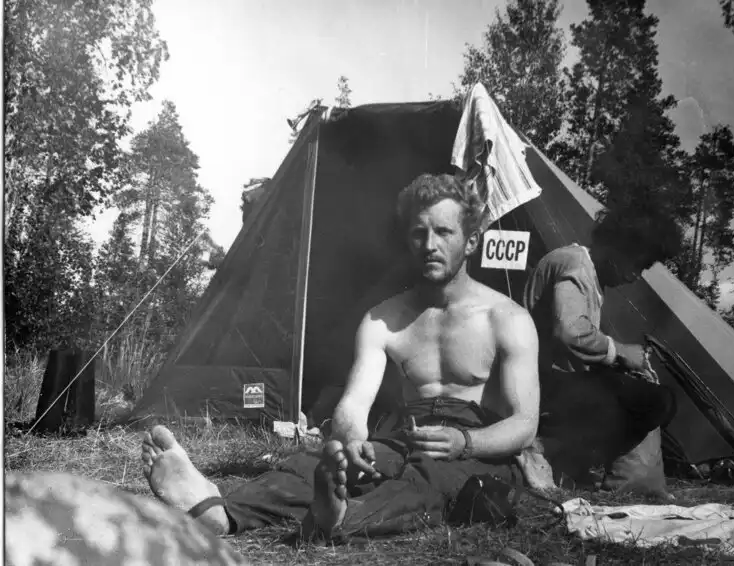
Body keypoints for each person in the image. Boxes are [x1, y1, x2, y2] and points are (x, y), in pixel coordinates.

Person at [141, 173, 547, 541]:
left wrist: (465, 442)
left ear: (471, 241)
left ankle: (342, 518)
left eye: (443, 232)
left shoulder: (507, 319)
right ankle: (222, 513)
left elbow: (525, 425)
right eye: (419, 233)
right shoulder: (384, 319)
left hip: (477, 449)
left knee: (429, 479)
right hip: (406, 437)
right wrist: (352, 441)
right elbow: (354, 403)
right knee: (313, 464)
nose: (429, 245)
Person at [523, 207, 682, 493]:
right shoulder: (576, 266)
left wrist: (618, 364)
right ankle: (548, 448)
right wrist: (619, 351)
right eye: (637, 264)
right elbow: (570, 332)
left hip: (548, 382)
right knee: (657, 402)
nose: (635, 275)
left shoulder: (586, 271)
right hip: (540, 386)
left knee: (646, 396)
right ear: (618, 247)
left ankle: (567, 457)